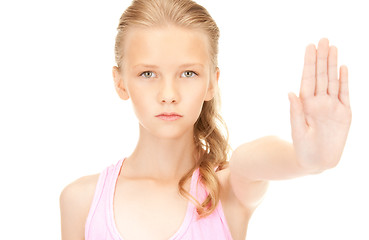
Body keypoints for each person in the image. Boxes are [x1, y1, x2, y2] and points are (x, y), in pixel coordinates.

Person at [59, 0, 352, 239]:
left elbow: (250, 160)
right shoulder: (81, 201)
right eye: (147, 73)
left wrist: (309, 160)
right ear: (120, 82)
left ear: (212, 82)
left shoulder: (227, 189)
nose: (169, 94)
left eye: (189, 73)